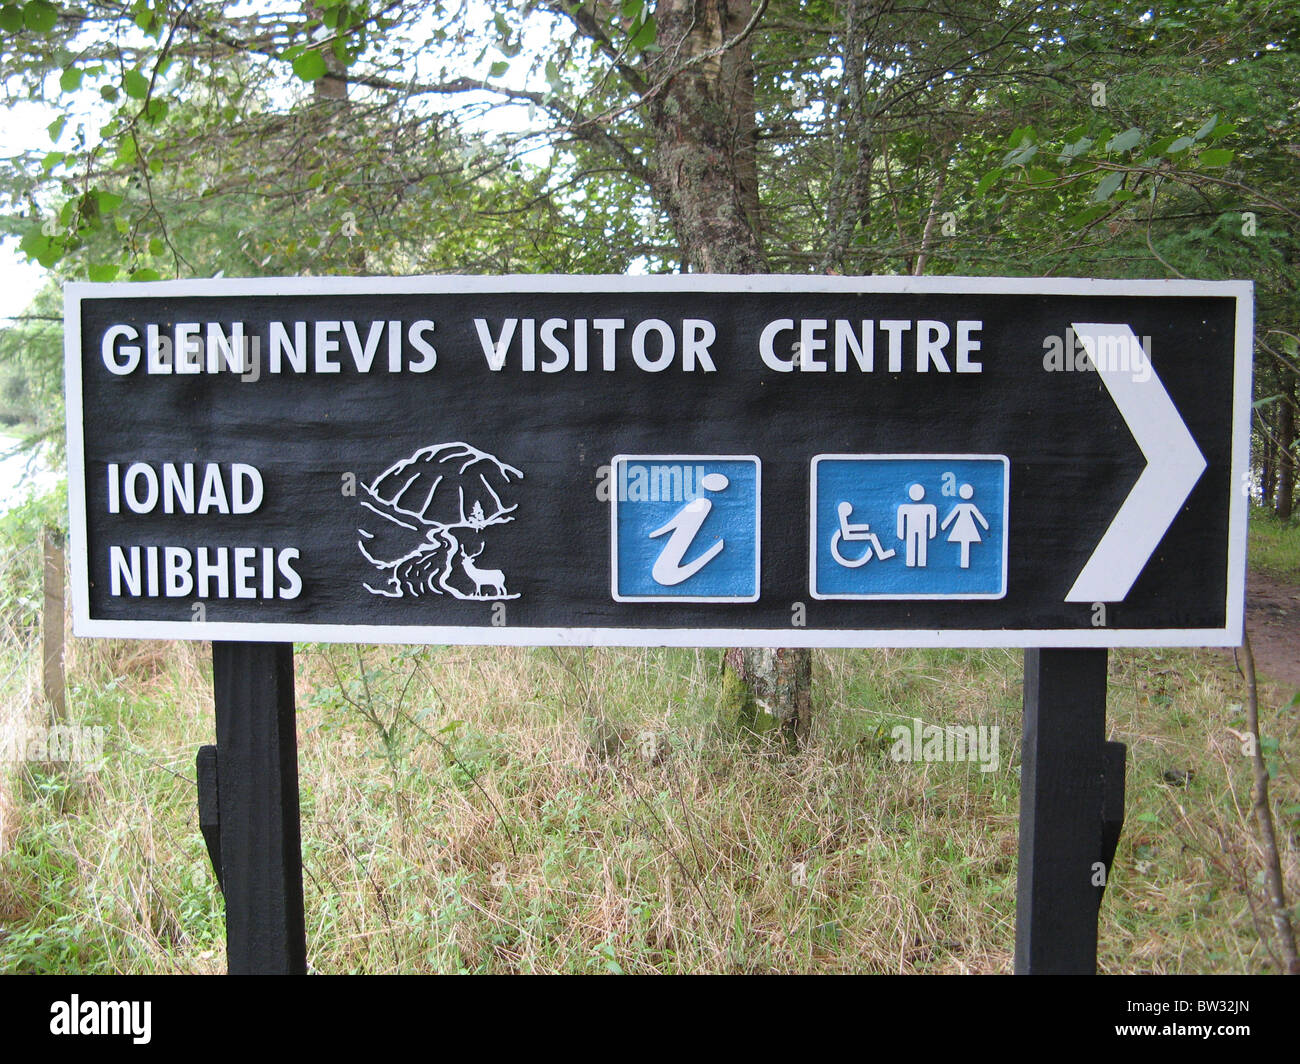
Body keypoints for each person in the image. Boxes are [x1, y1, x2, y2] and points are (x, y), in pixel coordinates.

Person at [940, 483, 989, 568]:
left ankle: (964, 563)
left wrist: (985, 525)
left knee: (965, 543)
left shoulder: (970, 506)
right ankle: (964, 563)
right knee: (964, 543)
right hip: (963, 527)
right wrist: (944, 525)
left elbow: (978, 516)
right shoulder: (961, 506)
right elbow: (952, 516)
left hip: (967, 527)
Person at [896, 483, 937, 567]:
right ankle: (910, 561)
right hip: (910, 530)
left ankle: (921, 561)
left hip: (923, 530)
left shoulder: (929, 507)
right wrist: (900, 533)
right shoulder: (904, 508)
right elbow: (901, 520)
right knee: (911, 544)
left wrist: (932, 532)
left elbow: (932, 520)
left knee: (922, 544)